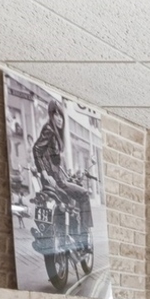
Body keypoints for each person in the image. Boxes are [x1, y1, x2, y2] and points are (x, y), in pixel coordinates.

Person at [32, 99, 92, 232]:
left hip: (56, 180)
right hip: (55, 182)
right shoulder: (49, 130)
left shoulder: (53, 133)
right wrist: (45, 173)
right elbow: (36, 149)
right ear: (51, 115)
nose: (59, 119)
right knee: (84, 195)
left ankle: (68, 233)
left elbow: (52, 160)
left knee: (69, 205)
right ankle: (82, 236)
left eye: (61, 116)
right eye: (56, 115)